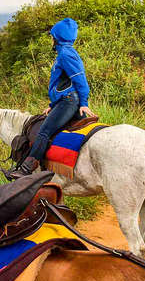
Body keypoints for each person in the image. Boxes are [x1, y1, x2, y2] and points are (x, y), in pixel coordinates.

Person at [10, 18, 94, 178]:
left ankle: (26, 169)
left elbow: (80, 79)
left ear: (58, 37)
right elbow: (62, 83)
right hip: (64, 100)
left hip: (69, 100)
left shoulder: (65, 54)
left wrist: (83, 102)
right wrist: (53, 105)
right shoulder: (65, 52)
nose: (51, 39)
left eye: (53, 36)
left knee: (44, 132)